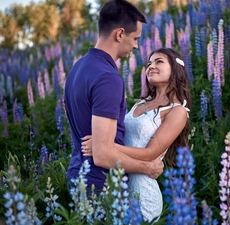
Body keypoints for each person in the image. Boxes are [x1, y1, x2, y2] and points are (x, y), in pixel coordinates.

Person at [64, 0, 165, 199]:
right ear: (119, 34)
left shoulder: (77, 68)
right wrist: (147, 168)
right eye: (135, 38)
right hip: (101, 187)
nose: (136, 46)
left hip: (78, 177)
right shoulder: (107, 77)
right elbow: (103, 155)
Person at [82, 47, 191, 222]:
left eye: (159, 62)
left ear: (175, 70)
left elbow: (150, 154)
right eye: (149, 63)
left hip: (143, 192)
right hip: (119, 187)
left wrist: (104, 147)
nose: (151, 66)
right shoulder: (141, 102)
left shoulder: (177, 111)